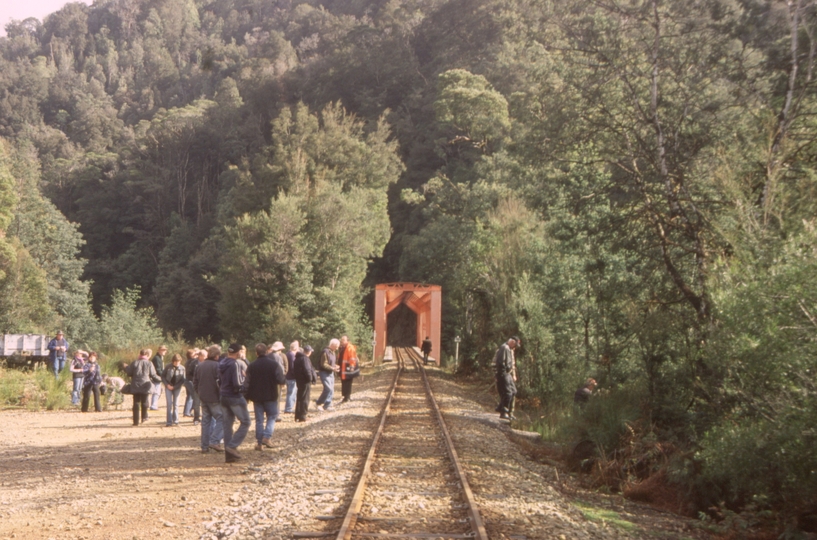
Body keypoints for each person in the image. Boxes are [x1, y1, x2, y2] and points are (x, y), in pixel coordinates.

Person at [245, 343, 287, 451]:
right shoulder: (273, 365)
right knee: (272, 417)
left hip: (256, 396)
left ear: (256, 353)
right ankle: (267, 437)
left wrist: (246, 396)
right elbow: (280, 379)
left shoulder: (252, 366)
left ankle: (259, 443)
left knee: (259, 420)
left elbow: (247, 382)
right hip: (271, 395)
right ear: (267, 351)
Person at [219, 343, 251, 463]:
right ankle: (232, 446)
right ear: (238, 353)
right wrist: (245, 383)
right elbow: (237, 383)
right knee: (246, 422)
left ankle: (229, 456)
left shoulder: (222, 363)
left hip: (223, 395)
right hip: (234, 396)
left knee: (227, 425)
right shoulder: (236, 364)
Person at [194, 345, 224, 454]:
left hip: (203, 397)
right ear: (216, 356)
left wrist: (199, 392)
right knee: (222, 418)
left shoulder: (200, 366)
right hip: (214, 397)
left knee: (206, 422)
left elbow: (195, 382)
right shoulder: (217, 366)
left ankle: (204, 446)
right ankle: (215, 440)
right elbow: (220, 382)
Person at [125, 349, 161, 426]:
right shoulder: (149, 363)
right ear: (146, 355)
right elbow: (153, 375)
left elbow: (129, 373)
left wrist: (127, 367)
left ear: (140, 354)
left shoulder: (135, 362)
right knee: (144, 402)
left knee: (136, 403)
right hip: (145, 385)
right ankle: (144, 418)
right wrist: (161, 379)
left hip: (135, 385)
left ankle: (135, 422)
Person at [494, 336, 520, 421]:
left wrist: (513, 374)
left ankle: (501, 407)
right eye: (515, 345)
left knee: (514, 391)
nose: (515, 347)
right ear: (512, 342)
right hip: (503, 374)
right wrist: (502, 375)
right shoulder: (504, 348)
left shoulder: (509, 349)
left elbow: (511, 364)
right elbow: (500, 362)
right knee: (508, 392)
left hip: (507, 373)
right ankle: (503, 411)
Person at [293, 345, 316, 422]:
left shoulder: (297, 358)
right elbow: (307, 370)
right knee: (305, 398)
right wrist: (310, 378)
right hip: (305, 381)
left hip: (299, 380)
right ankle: (303, 415)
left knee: (300, 397)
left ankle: (298, 415)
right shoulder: (305, 359)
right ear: (309, 352)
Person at [316, 339, 340, 411]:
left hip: (331, 372)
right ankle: (319, 402)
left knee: (331, 389)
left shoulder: (333, 352)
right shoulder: (325, 352)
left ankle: (328, 405)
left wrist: (335, 366)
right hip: (324, 372)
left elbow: (330, 363)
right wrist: (333, 368)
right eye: (336, 346)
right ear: (332, 345)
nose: (337, 348)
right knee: (328, 388)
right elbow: (323, 364)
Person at [162, 354, 186, 426]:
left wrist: (175, 387)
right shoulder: (168, 367)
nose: (177, 363)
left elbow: (183, 380)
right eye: (175, 362)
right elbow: (163, 376)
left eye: (178, 362)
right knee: (169, 404)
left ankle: (176, 420)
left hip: (177, 387)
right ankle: (169, 421)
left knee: (176, 404)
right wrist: (167, 385)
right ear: (173, 361)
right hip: (168, 386)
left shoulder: (182, 368)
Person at [183, 349, 202, 425]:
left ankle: (187, 411)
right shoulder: (192, 362)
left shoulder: (189, 361)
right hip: (191, 381)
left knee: (190, 396)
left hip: (189, 381)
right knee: (192, 397)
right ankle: (188, 412)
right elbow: (190, 373)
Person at [337, 336, 358, 404]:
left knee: (348, 382)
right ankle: (345, 396)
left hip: (348, 368)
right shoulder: (342, 348)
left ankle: (347, 396)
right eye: (341, 340)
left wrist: (352, 366)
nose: (341, 341)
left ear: (347, 341)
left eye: (343, 340)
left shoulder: (350, 348)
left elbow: (352, 358)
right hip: (342, 368)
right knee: (343, 382)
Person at [149, 345, 167, 410]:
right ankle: (153, 406)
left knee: (158, 391)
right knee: (156, 392)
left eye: (165, 350)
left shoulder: (160, 358)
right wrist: (164, 376)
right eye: (163, 350)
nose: (165, 351)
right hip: (156, 377)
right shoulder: (157, 358)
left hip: (158, 377)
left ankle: (154, 405)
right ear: (159, 350)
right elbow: (158, 369)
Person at [283, 341, 299, 414]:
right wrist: (296, 375)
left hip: (288, 376)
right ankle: (289, 408)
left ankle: (289, 407)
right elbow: (293, 367)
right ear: (295, 348)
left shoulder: (287, 354)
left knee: (291, 392)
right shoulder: (292, 355)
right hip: (291, 377)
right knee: (291, 392)